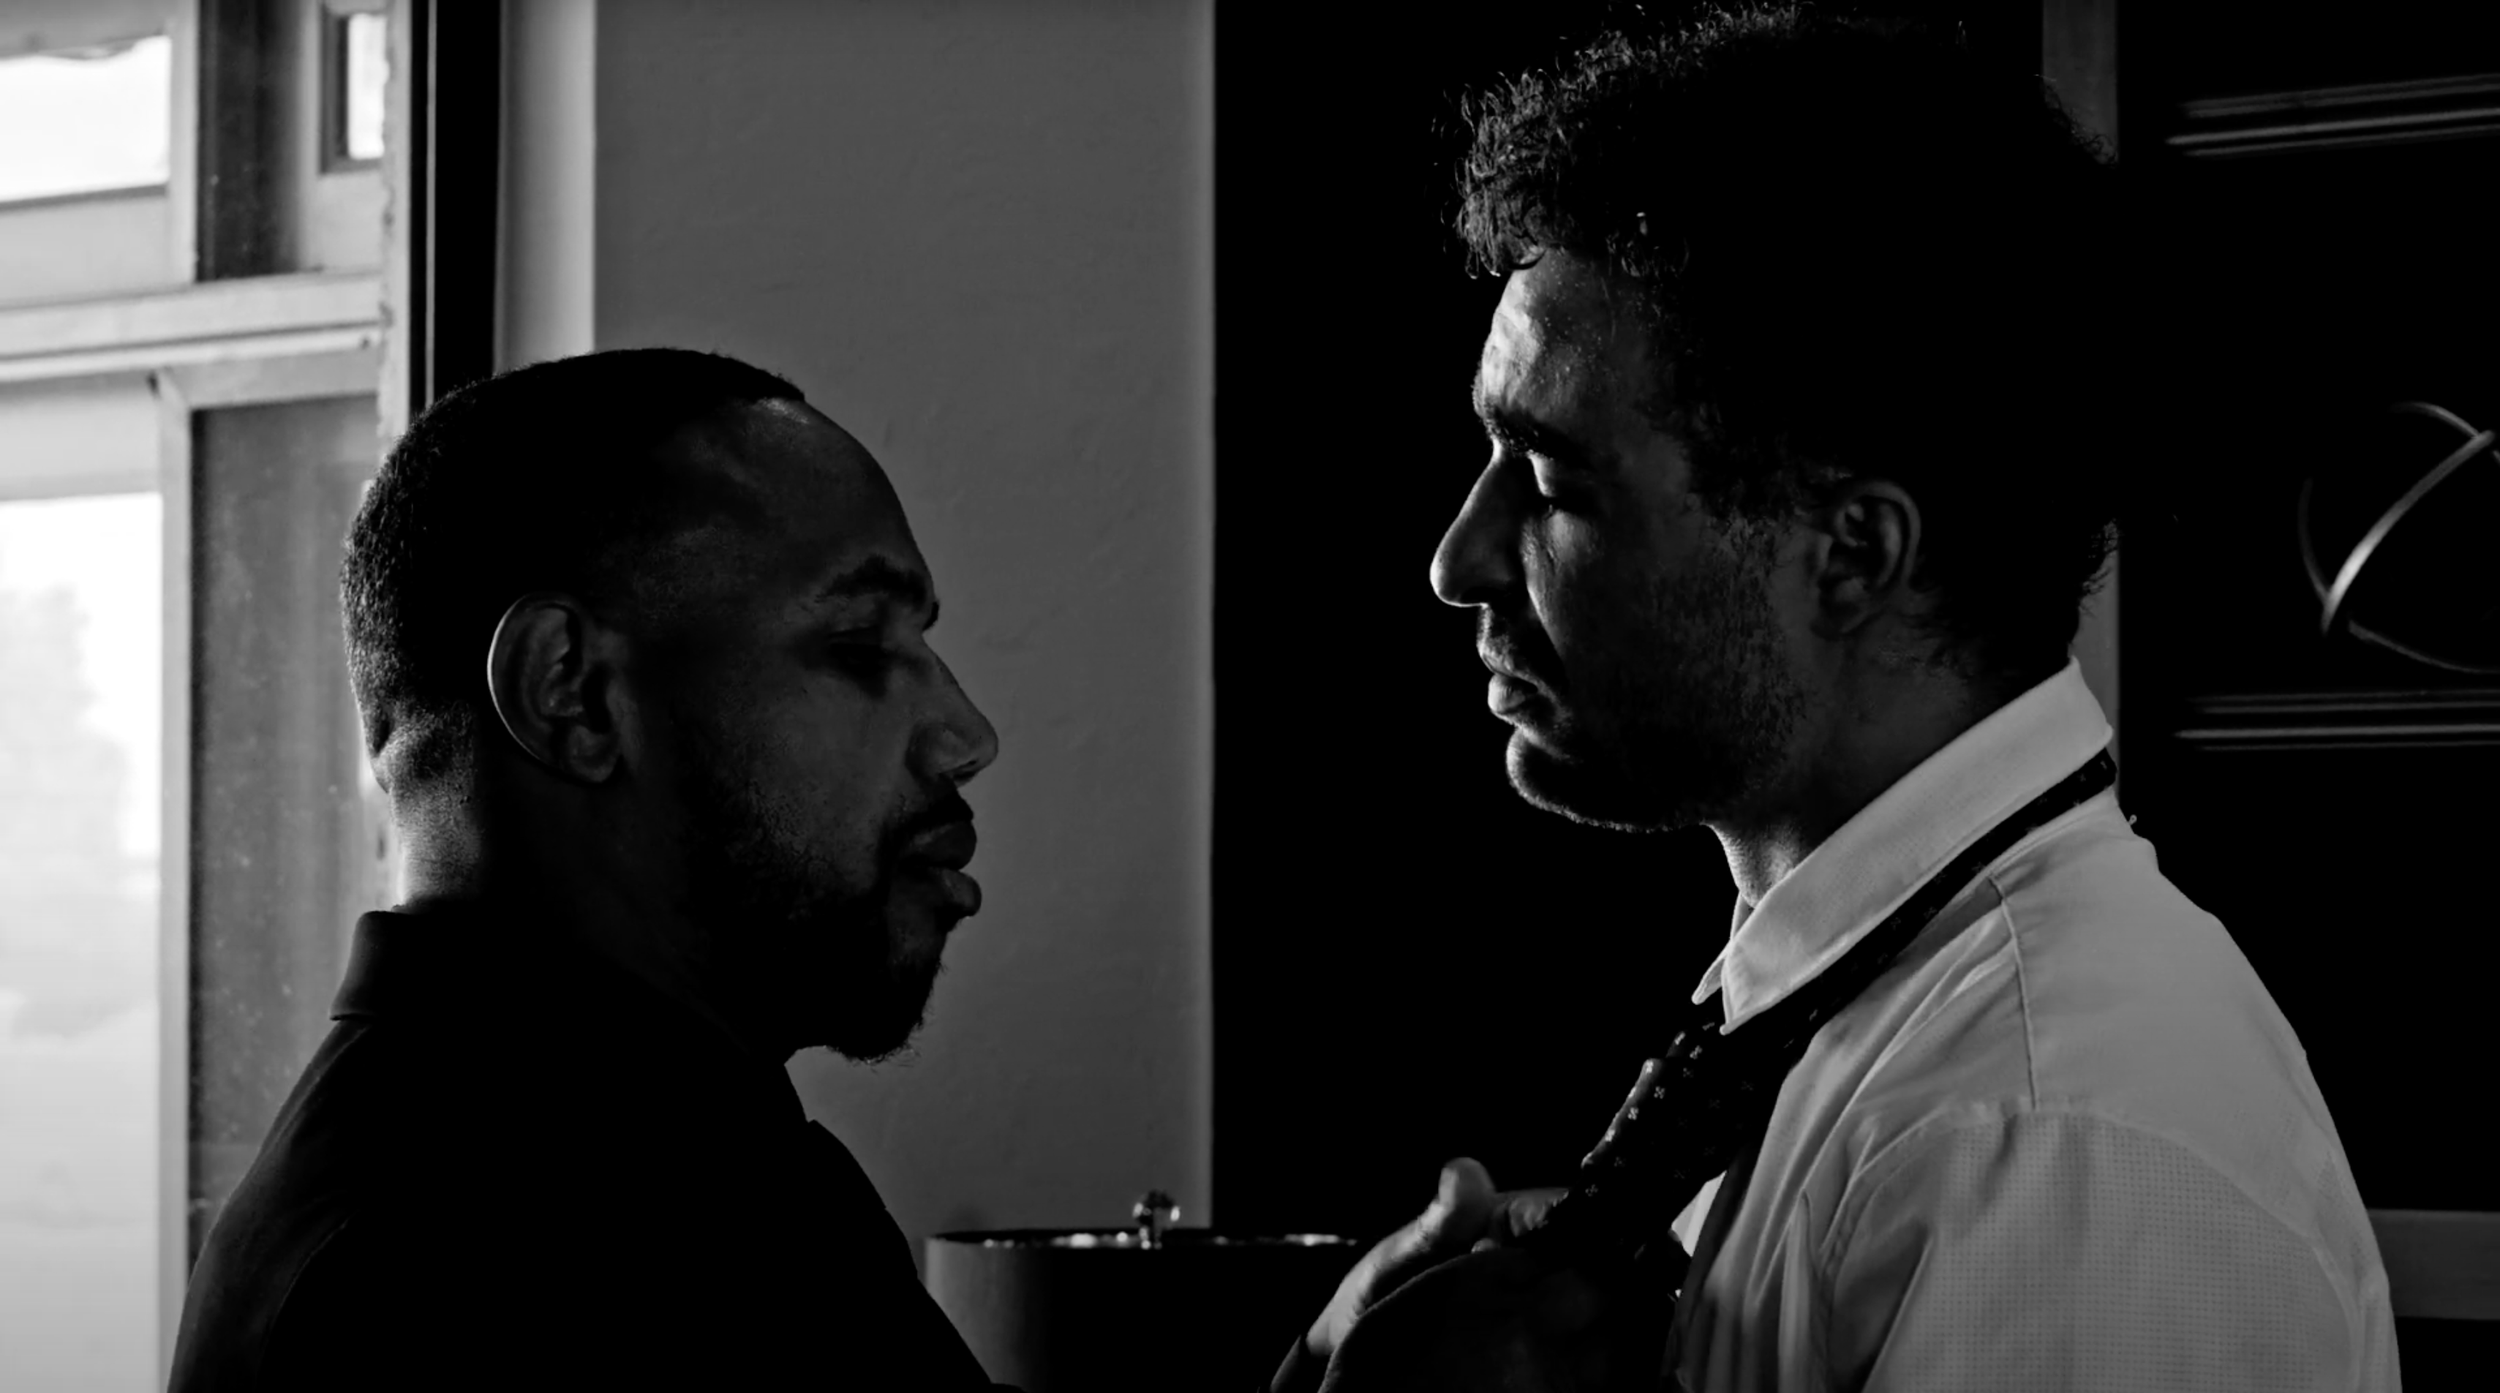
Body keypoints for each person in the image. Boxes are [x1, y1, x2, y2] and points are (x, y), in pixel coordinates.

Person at [1278, 7, 2399, 1390]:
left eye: (1556, 482)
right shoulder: (1837, 1022)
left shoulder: (2049, 1138)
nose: (1458, 560)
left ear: (1853, 553)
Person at [171, 349, 1012, 1390]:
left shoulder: (665, 1163)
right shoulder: (459, 1271)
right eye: (855, 640)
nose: (965, 733)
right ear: (568, 691)